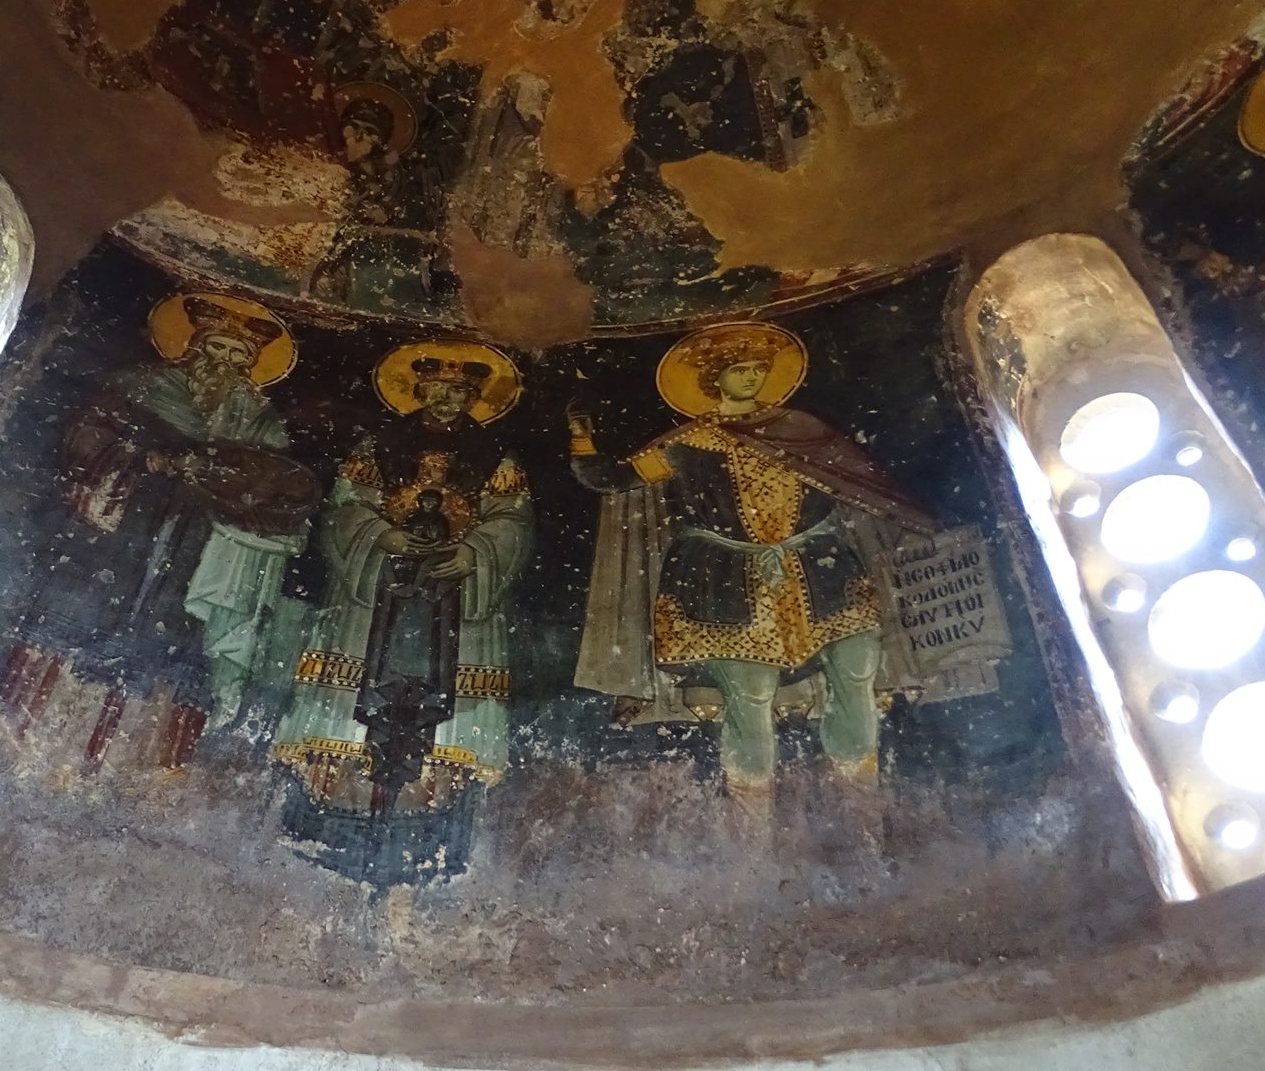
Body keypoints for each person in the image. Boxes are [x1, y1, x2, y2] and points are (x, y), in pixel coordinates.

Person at [569, 322, 934, 815]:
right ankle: (752, 833)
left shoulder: (803, 430)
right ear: (714, 379)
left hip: (824, 574)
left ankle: (863, 815)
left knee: (857, 673)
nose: (751, 377)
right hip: (727, 581)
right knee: (750, 697)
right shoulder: (690, 442)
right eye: (739, 369)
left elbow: (865, 484)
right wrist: (581, 438)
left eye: (758, 369)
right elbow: (612, 479)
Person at [0, 294, 314, 772]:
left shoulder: (259, 418)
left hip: (198, 542)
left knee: (173, 646)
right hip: (120, 525)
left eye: (238, 356)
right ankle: (11, 733)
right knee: (71, 617)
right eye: (217, 347)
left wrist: (220, 474)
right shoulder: (140, 385)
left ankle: (148, 773)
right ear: (194, 344)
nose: (224, 362)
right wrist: (143, 458)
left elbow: (281, 483)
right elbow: (84, 438)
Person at [273, 344, 532, 823]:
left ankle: (436, 801)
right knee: (358, 670)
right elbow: (346, 505)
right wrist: (380, 533)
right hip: (380, 579)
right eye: (437, 388)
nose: (447, 399)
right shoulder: (379, 444)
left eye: (459, 391)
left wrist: (474, 551)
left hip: (453, 582)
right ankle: (331, 794)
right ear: (418, 389)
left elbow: (512, 519)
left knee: (451, 681)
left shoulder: (496, 456)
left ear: (474, 397)